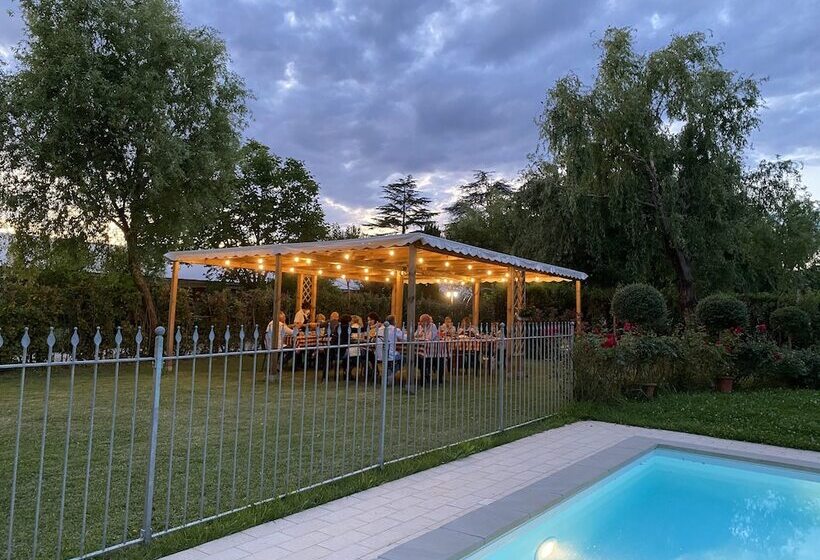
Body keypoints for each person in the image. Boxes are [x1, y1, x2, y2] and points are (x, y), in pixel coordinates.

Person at [376, 315, 405, 388]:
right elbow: (404, 338)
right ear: (393, 321)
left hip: (379, 355)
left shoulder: (379, 329)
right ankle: (391, 373)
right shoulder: (395, 329)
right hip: (390, 355)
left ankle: (387, 373)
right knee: (404, 358)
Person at [264, 311, 293, 376]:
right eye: (284, 317)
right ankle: (280, 364)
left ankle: (276, 365)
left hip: (268, 345)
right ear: (281, 317)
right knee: (292, 349)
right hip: (277, 345)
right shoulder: (281, 324)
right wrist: (297, 330)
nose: (285, 318)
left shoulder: (270, 323)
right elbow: (291, 332)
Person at [416, 314, 441, 386]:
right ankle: (424, 374)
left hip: (433, 349)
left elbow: (430, 338)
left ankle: (425, 375)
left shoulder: (432, 326)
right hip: (422, 349)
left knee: (421, 358)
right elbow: (415, 335)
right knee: (417, 357)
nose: (419, 323)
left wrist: (420, 335)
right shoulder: (420, 327)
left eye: (421, 321)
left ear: (426, 321)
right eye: (420, 321)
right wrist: (420, 334)